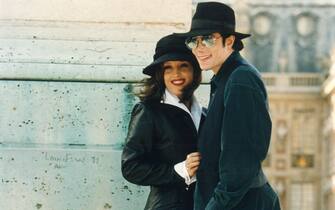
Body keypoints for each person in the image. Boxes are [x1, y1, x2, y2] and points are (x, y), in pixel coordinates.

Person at [176, 2, 281, 210]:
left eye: (208, 39)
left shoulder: (240, 79)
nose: (199, 48)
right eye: (193, 41)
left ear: (230, 41)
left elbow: (240, 162)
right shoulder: (226, 78)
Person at [121, 34, 204, 210]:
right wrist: (180, 171)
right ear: (160, 74)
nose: (176, 74)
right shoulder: (148, 111)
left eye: (184, 66)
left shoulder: (206, 114)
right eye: (168, 68)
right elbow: (131, 167)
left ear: (195, 70)